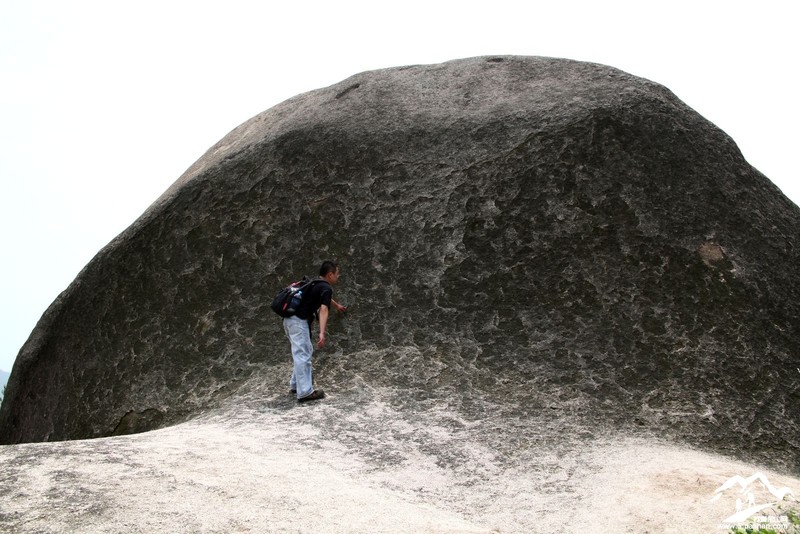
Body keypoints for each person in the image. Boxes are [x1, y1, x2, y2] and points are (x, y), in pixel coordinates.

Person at [283, 260, 347, 402]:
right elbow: (323, 309)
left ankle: (295, 385)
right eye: (337, 273)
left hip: (289, 321)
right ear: (330, 274)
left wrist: (337, 306)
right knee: (303, 355)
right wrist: (322, 333)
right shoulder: (326, 287)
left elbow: (326, 298)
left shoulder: (316, 283)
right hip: (298, 322)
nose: (338, 276)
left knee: (302, 352)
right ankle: (305, 392)